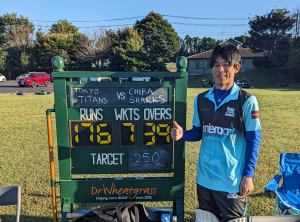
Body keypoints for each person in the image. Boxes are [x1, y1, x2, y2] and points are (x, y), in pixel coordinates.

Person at [171, 44, 261, 222]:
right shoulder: (201, 99)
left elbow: (254, 140)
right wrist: (184, 135)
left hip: (231, 181)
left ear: (236, 67)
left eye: (226, 64)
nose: (220, 70)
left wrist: (248, 176)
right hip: (205, 178)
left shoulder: (247, 101)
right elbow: (198, 132)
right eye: (215, 65)